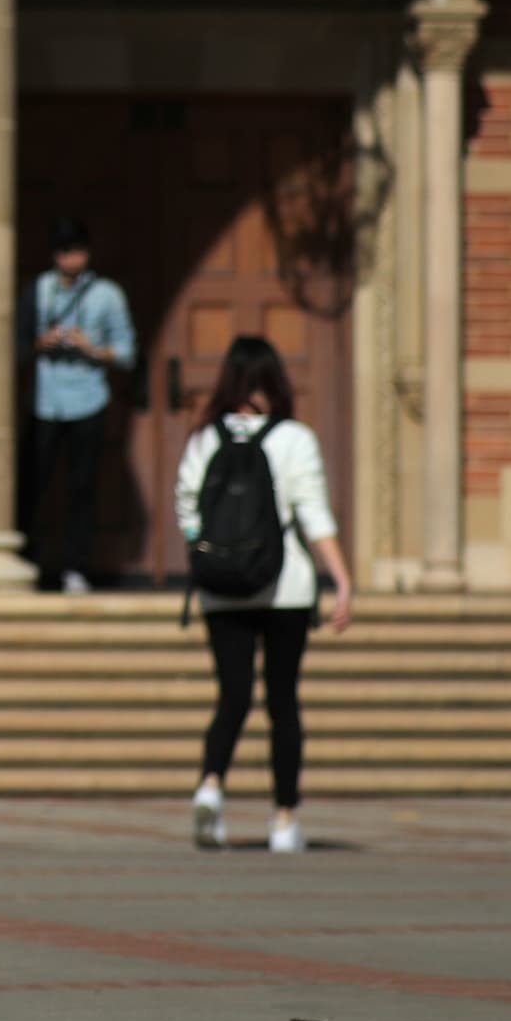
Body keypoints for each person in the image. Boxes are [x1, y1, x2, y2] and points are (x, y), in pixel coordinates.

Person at [175, 334, 355, 853]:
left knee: (232, 695)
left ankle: (211, 784)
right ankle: (283, 818)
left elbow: (186, 508)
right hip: (287, 587)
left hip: (221, 589)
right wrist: (340, 579)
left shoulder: (204, 439)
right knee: (283, 702)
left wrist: (207, 553)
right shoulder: (294, 438)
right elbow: (312, 513)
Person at [27, 219, 136, 592]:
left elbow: (126, 353)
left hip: (89, 399)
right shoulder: (39, 290)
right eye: (63, 252)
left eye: (76, 251)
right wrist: (44, 341)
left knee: (82, 487)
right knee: (35, 484)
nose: (70, 260)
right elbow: (16, 342)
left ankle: (76, 567)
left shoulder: (107, 295)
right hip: (46, 401)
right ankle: (30, 561)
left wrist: (92, 348)